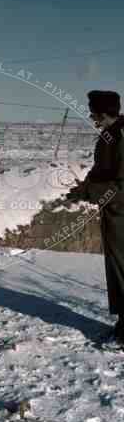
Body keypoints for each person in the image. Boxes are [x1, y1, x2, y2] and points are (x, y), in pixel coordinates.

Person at [66, 90, 124, 342]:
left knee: (122, 268)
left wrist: (89, 191)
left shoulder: (121, 138)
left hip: (121, 212)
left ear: (102, 113)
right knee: (116, 268)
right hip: (114, 212)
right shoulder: (108, 137)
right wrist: (83, 189)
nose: (92, 117)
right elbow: (100, 172)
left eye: (93, 113)